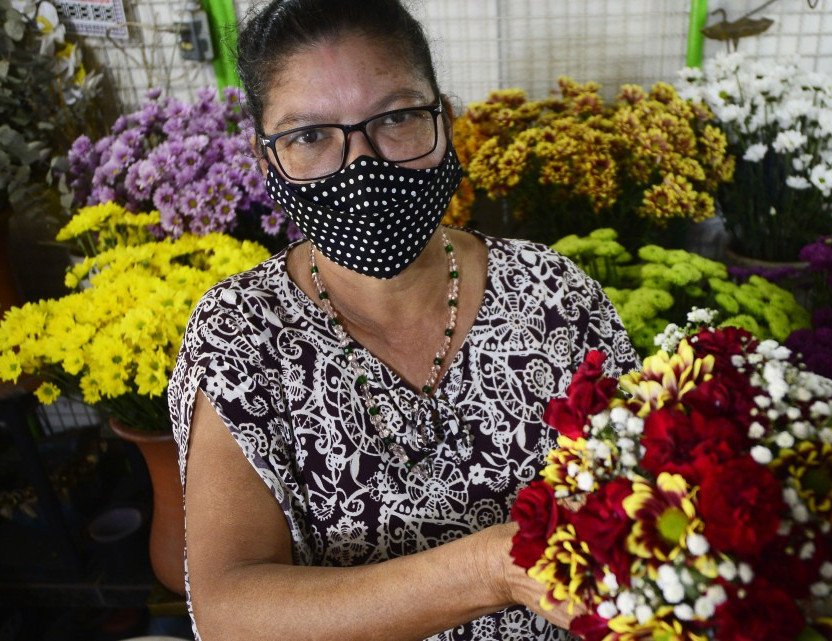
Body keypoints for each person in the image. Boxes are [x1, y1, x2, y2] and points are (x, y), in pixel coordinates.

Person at [167, 1, 640, 639]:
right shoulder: (242, 335)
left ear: (444, 120)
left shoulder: (555, 295)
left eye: (395, 118)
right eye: (310, 136)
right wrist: (492, 568)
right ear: (265, 159)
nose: (363, 165)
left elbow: (644, 496)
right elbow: (230, 609)